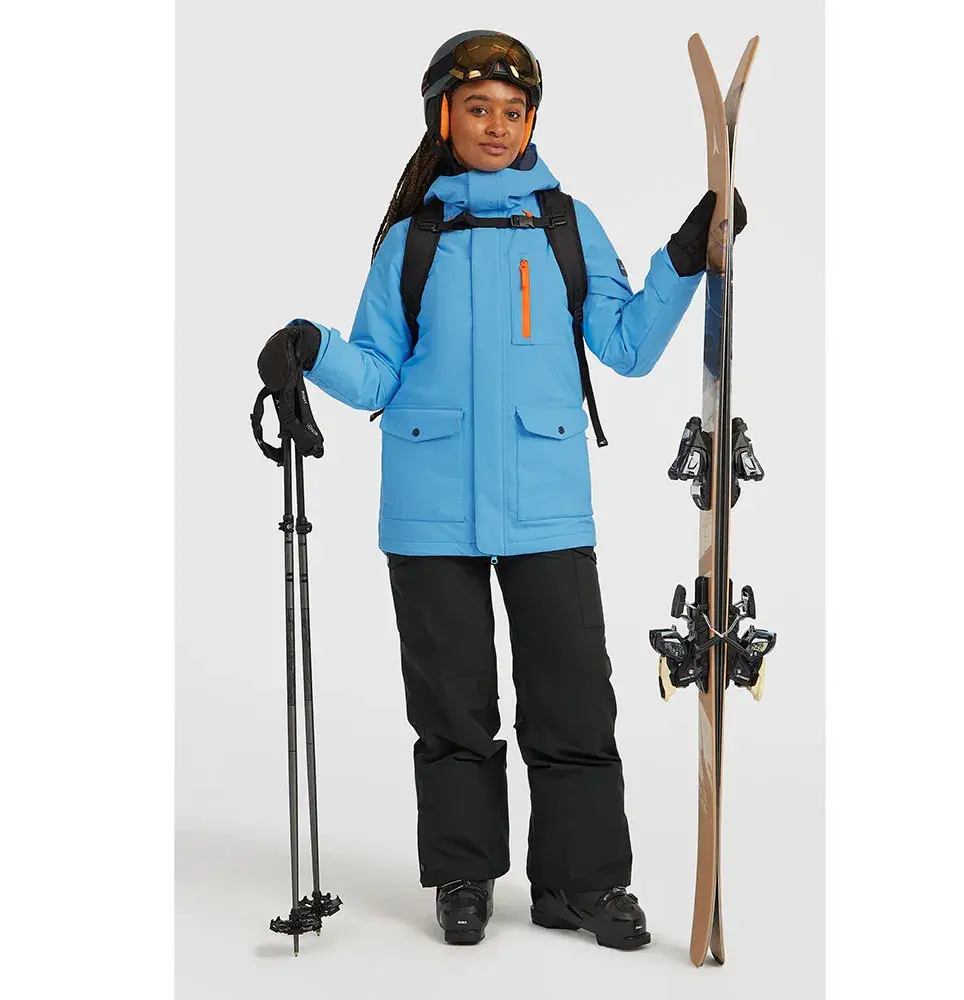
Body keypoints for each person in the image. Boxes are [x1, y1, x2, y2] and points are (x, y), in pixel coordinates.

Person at [257, 29, 745, 949]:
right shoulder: (413, 238)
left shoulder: (565, 225)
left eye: (513, 112)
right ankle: (464, 873)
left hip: (545, 501)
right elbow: (378, 371)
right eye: (477, 108)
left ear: (532, 123)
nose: (496, 126)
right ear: (442, 116)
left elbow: (628, 346)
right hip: (429, 507)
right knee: (452, 709)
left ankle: (579, 884)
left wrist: (686, 256)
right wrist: (311, 347)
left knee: (573, 699)